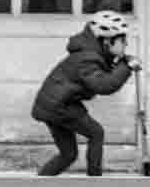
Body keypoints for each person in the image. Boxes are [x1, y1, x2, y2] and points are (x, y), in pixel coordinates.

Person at [31, 10, 142, 176]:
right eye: (122, 40)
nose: (125, 44)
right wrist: (126, 67)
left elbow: (104, 72)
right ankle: (94, 181)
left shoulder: (92, 54)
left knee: (69, 154)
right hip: (59, 106)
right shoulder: (87, 59)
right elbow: (104, 85)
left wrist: (122, 62)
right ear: (106, 41)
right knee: (96, 133)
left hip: (53, 105)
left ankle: (40, 182)